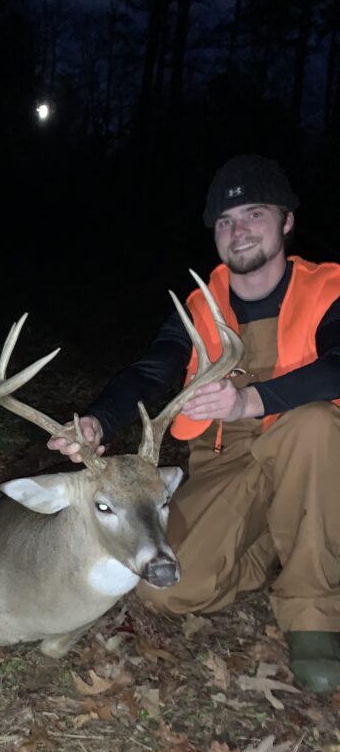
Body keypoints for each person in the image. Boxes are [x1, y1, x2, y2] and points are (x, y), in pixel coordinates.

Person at [48, 154, 340, 694]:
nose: (239, 230)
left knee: (315, 425)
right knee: (167, 590)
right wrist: (97, 420)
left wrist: (251, 400)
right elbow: (152, 368)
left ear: (287, 221)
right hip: (228, 462)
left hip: (316, 457)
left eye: (254, 214)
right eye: (225, 222)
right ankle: (282, 537)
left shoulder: (328, 289)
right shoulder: (199, 307)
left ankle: (313, 614)